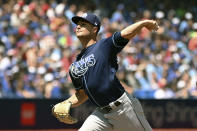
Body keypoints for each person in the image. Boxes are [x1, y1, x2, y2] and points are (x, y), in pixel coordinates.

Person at [53, 13, 159, 131]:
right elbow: (82, 94)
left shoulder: (104, 46)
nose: (78, 27)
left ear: (94, 29)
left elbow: (125, 33)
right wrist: (67, 103)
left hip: (123, 108)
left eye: (83, 24)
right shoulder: (75, 65)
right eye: (77, 24)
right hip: (101, 114)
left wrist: (143, 23)